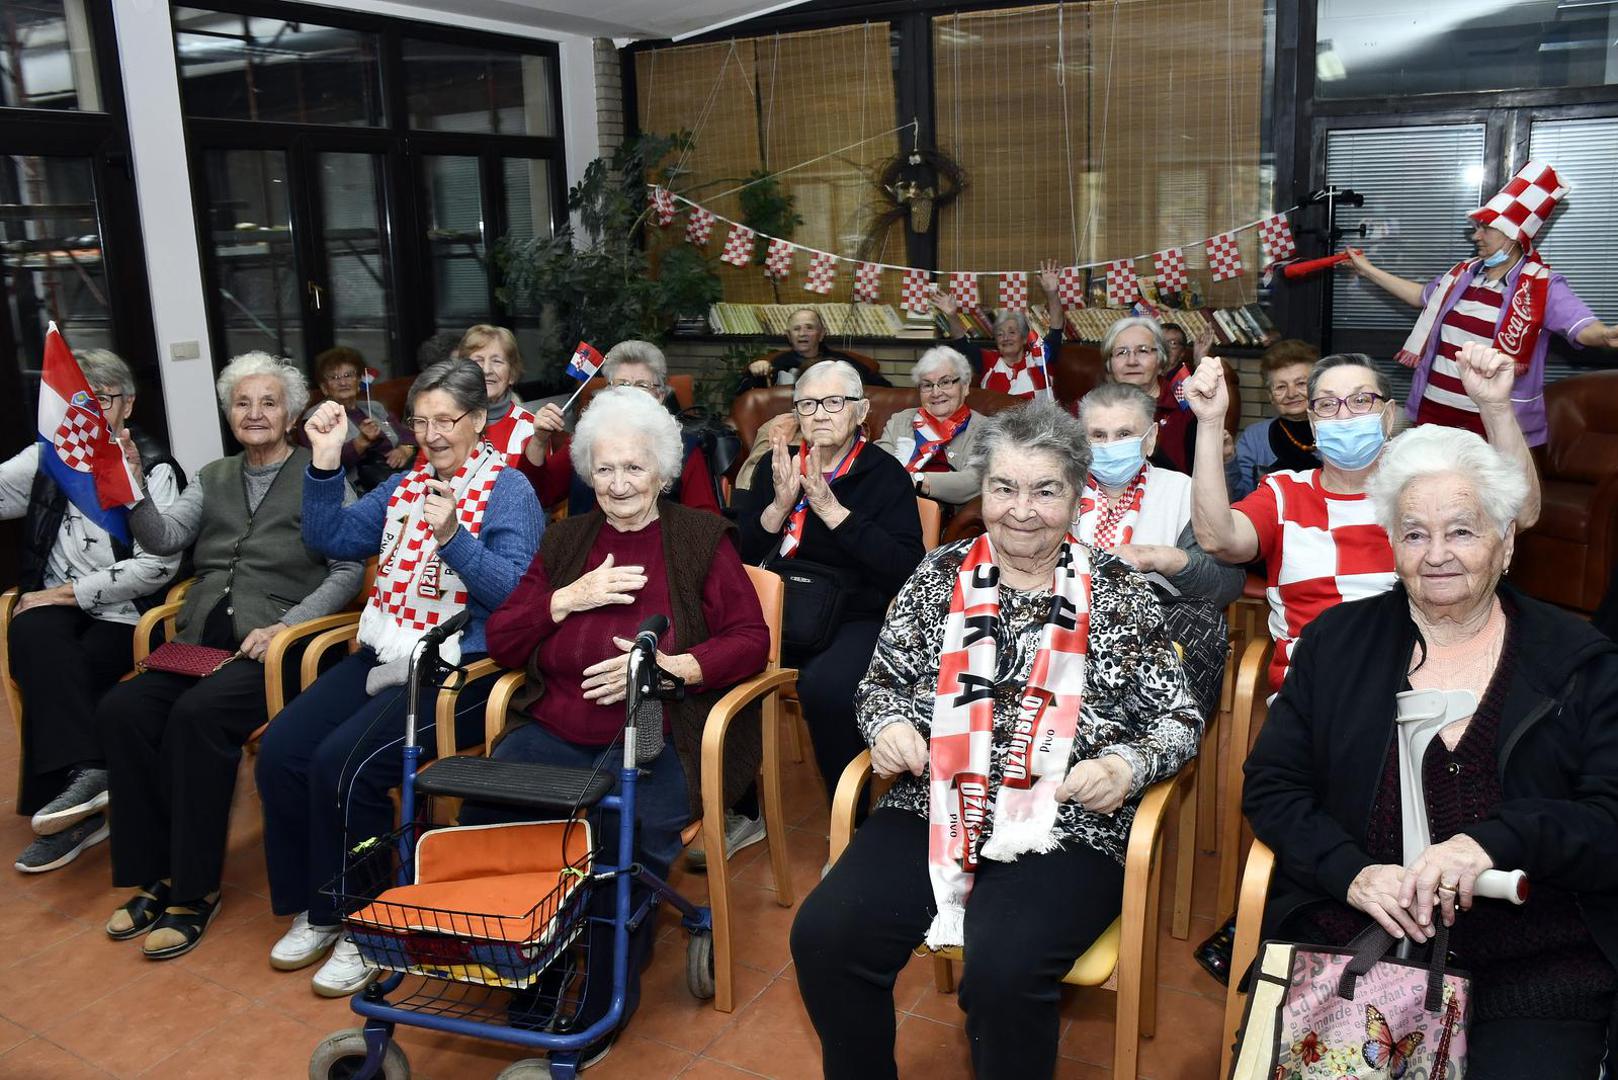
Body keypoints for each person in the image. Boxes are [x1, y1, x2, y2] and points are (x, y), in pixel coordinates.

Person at [790, 400, 1202, 1080]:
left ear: (1076, 496)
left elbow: (1178, 718)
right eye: (1004, 488)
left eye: (1045, 490)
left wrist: (1126, 765)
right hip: (936, 802)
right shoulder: (937, 576)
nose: (1021, 509)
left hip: (1067, 822)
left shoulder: (1121, 593)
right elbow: (882, 682)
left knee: (1005, 970)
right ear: (983, 492)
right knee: (828, 938)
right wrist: (889, 725)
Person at [1243, 423, 1618, 1077]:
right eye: (1415, 533)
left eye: (1462, 531)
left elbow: (1608, 818)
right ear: (1392, 545)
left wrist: (1494, 840)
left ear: (1505, 545)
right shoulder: (1338, 644)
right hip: (1360, 942)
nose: (1437, 553)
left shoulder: (1578, 663)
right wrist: (1352, 872)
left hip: (1534, 963)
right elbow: (1273, 785)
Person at [465, 387, 771, 1062]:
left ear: (661, 470)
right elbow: (504, 642)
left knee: (611, 844)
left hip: (654, 732)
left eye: (634, 468)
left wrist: (670, 669)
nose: (619, 483)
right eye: (604, 469)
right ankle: (526, 972)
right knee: (485, 811)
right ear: (586, 472)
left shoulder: (697, 538)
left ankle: (597, 1005)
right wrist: (565, 599)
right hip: (553, 726)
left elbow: (751, 638)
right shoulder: (567, 540)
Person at [256, 358, 541, 996]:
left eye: (448, 420)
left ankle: (367, 921)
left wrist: (455, 538)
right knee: (282, 750)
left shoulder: (508, 490)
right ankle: (321, 902)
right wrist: (326, 458)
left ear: (478, 422)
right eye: (421, 420)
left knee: (344, 765)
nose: (434, 434)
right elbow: (330, 535)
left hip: (462, 667)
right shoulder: (405, 484)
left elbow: (518, 596)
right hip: (388, 650)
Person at [95, 353, 364, 959]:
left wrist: (286, 625)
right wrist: (135, 489)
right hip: (198, 641)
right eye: (243, 402)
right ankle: (155, 873)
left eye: (269, 402)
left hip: (278, 648)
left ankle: (194, 889)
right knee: (122, 709)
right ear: (228, 413)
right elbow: (163, 538)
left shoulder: (320, 474)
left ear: (292, 413)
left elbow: (348, 568)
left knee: (197, 718)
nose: (256, 413)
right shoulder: (212, 475)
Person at [1186, 343, 1540, 695]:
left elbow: (1521, 511)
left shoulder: (1426, 486)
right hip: (1318, 691)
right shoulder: (1283, 493)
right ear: (1313, 421)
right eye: (1327, 404)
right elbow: (1219, 538)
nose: (1344, 416)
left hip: (1420, 682)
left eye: (1360, 401)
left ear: (1387, 415)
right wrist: (1210, 421)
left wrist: (1495, 407)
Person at [5, 349, 184, 873]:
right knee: (33, 635)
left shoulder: (153, 467)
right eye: (74, 401)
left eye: (99, 400)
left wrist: (66, 594)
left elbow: (157, 568)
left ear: (126, 405)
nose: (84, 413)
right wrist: (52, 599)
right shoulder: (49, 458)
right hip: (61, 608)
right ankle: (89, 778)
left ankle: (74, 805)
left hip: (127, 612)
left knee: (61, 664)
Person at [735, 361, 925, 803]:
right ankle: (743, 810)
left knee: (827, 689)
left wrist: (833, 511)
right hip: (779, 607)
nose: (819, 414)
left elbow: (906, 568)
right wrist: (779, 507)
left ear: (861, 412)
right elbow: (740, 552)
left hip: (854, 614)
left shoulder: (884, 475)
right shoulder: (776, 467)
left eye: (834, 402)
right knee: (714, 667)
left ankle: (850, 818)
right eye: (807, 404)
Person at [1345, 160, 1618, 447]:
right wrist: (1368, 270)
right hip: (1434, 407)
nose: (1476, 236)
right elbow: (1420, 296)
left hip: (1492, 419)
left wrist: (1605, 335)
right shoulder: (1462, 275)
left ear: (1514, 235)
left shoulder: (1541, 285)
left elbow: (1581, 327)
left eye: (1486, 228)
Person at [1077, 381, 1245, 716]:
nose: (1109, 446)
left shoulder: (1187, 493)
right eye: (1097, 435)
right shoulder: (1054, 492)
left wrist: (1165, 559)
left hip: (1154, 650)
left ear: (1151, 438)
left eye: (1124, 434)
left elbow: (1227, 585)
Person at [521, 340, 720, 515]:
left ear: (660, 396)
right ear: (607, 392)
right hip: (588, 551)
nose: (631, 394)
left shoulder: (683, 447)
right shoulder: (584, 441)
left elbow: (707, 523)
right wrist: (539, 440)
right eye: (622, 385)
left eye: (642, 385)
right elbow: (538, 495)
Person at [932, 260, 1065, 400]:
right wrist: (952, 315)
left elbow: (1056, 328)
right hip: (996, 421)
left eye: (1012, 332)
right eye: (1000, 334)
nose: (1005, 337)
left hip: (1039, 421)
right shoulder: (988, 360)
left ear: (1025, 338)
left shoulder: (1039, 357)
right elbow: (961, 342)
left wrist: (1052, 294)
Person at [874, 346, 985, 509]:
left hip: (937, 515)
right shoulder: (901, 420)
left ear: (965, 386)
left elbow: (974, 480)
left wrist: (918, 481)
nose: (936, 392)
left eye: (945, 382)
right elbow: (878, 464)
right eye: (927, 385)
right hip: (888, 507)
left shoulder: (984, 428)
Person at [415, 324, 536, 467]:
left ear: (512, 374)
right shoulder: (440, 423)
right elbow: (420, 478)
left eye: (497, 361)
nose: (486, 370)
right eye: (478, 361)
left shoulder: (530, 428)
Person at [297, 346, 415, 492]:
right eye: (334, 377)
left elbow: (408, 434)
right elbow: (320, 466)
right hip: (360, 490)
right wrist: (360, 442)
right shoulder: (316, 418)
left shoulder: (375, 407)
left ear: (359, 381)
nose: (343, 382)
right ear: (324, 388)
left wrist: (405, 449)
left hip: (399, 476)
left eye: (348, 375)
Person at [1100, 315, 1199, 473]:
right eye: (1121, 352)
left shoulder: (1187, 409)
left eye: (1143, 351)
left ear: (1161, 361)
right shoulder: (1087, 409)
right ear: (1109, 365)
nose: (1132, 361)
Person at [1227, 338, 1321, 501]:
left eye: (1300, 383)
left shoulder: (1336, 430)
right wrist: (1228, 460)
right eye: (1281, 387)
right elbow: (1239, 497)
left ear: (1318, 387)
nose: (1291, 393)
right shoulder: (1255, 437)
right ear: (1270, 396)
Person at [736, 308, 892, 391]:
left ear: (822, 333)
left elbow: (883, 390)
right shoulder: (776, 363)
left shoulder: (843, 362)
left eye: (809, 328)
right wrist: (754, 371)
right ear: (789, 336)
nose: (803, 333)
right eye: (797, 329)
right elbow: (750, 395)